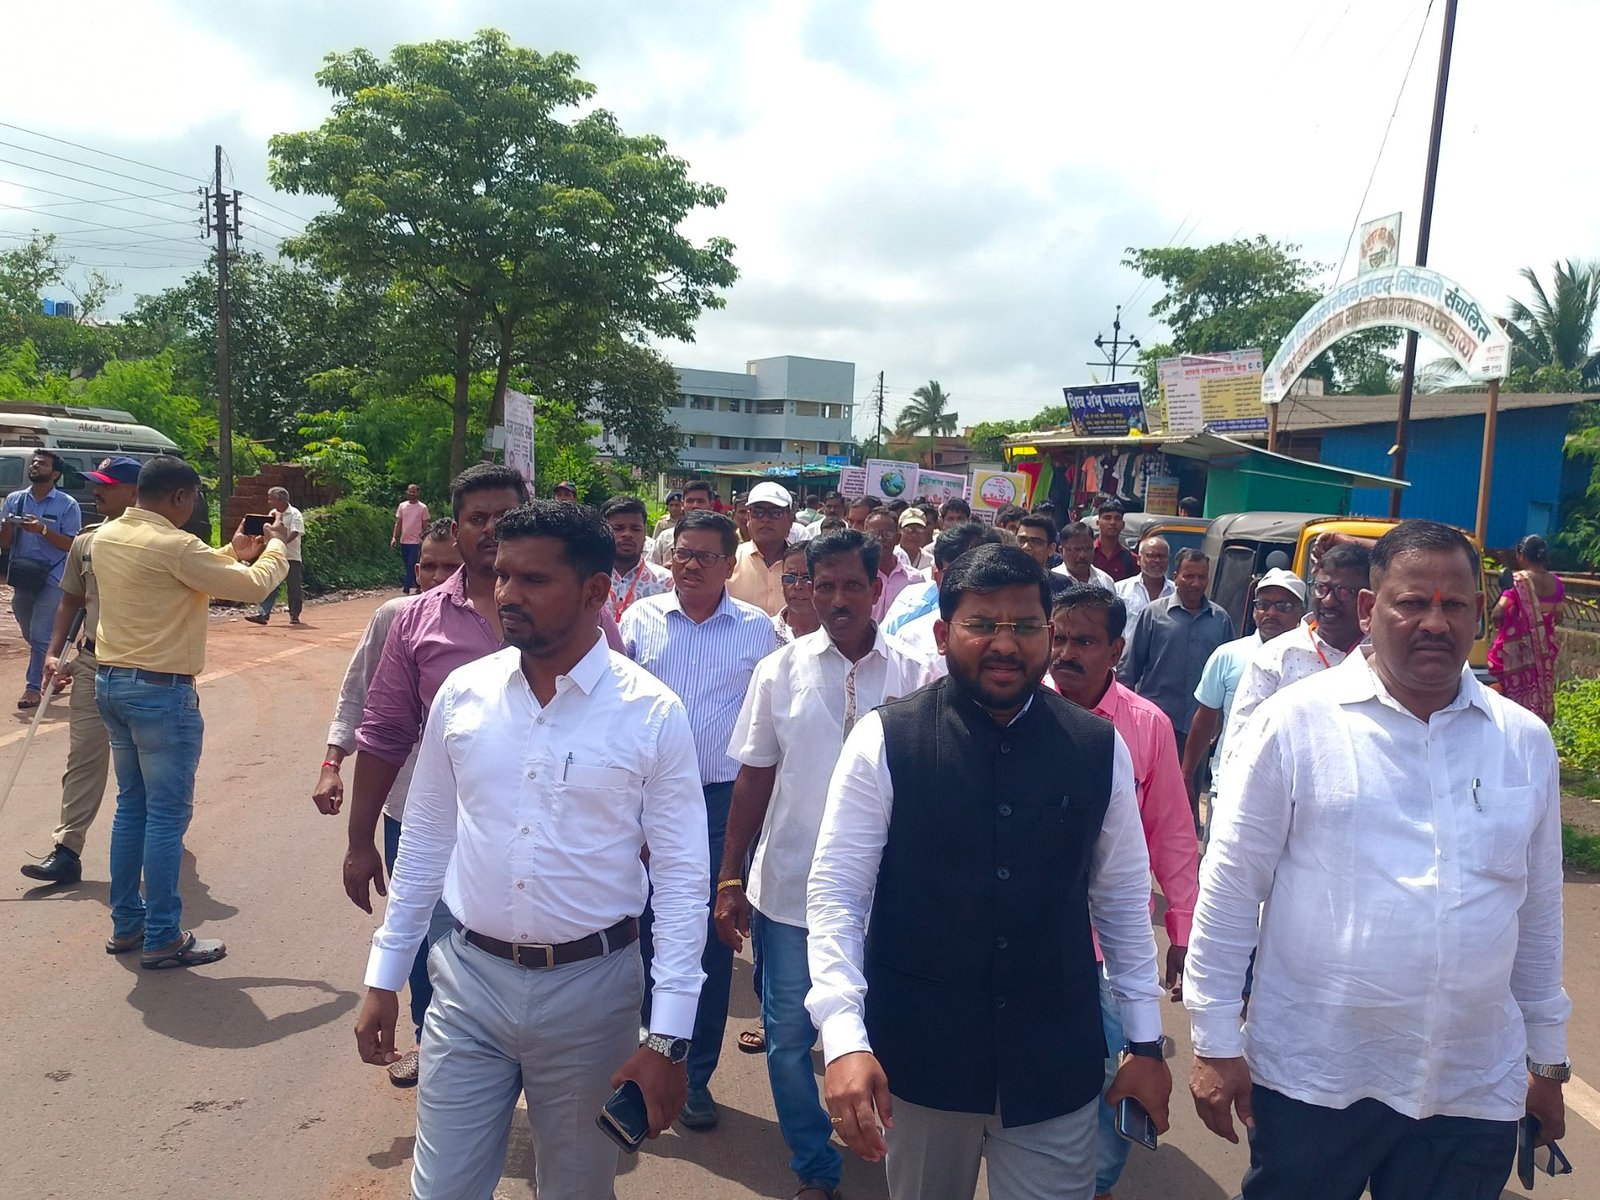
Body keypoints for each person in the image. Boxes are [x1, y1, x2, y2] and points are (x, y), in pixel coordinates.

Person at [1184, 520, 1571, 1200]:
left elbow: (1537, 912)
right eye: (1412, 602)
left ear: (1478, 615)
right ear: (1369, 609)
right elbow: (1232, 885)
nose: (1435, 622)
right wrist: (1215, 1040)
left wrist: (1547, 1060)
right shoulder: (1295, 722)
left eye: (1454, 605)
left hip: (1471, 1084)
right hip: (1316, 1078)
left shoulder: (1523, 741)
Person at [354, 501, 710, 1200]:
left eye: (534, 580)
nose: (507, 595)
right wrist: (384, 975)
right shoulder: (464, 694)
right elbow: (427, 835)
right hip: (467, 982)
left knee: (575, 1189)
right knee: (442, 1189)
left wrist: (668, 1039)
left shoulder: (651, 713)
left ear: (595, 590)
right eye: (502, 575)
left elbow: (679, 881)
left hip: (593, 995)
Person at [807, 544, 1171, 1200]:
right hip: (920, 1055)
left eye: (1025, 625)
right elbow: (838, 894)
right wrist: (842, 1036)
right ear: (943, 633)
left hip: (1054, 1058)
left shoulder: (1096, 748)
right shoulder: (887, 740)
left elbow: (1120, 900)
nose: (1006, 643)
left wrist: (1145, 1044)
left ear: (1048, 634)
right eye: (982, 624)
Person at [717, 528, 935, 1200]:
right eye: (825, 585)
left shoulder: (917, 676)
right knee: (787, 1038)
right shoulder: (778, 671)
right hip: (789, 891)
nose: (838, 599)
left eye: (852, 586)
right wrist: (730, 877)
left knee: (888, 1033)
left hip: (889, 898)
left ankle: (888, 1144)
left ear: (877, 589)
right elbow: (754, 777)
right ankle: (814, 1164)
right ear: (807, 588)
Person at [93, 456, 288, 967]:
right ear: (180, 497)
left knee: (131, 807)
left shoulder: (107, 536)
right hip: (160, 692)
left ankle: (128, 923)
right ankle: (163, 935)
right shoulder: (176, 545)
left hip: (112, 683)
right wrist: (275, 547)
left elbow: (180, 571)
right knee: (165, 817)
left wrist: (230, 552)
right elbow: (253, 586)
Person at [620, 508, 777, 1129]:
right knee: (639, 927)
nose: (689, 564)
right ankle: (641, 1055)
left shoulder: (758, 631)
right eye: (682, 553)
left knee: (707, 937)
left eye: (705, 556)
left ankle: (693, 1074)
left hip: (719, 802)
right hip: (641, 797)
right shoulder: (640, 620)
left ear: (728, 564)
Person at [1048, 584, 1199, 1200]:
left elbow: (1173, 834)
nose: (1066, 653)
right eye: (1058, 638)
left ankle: (1098, 1183)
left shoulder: (1146, 726)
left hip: (1114, 941)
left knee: (1121, 1066)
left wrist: (1183, 930)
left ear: (1116, 649)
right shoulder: (1019, 708)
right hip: (1036, 934)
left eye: (1084, 641)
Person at [346, 465, 532, 931]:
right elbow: (385, 732)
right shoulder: (416, 620)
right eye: (477, 519)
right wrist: (360, 840)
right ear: (456, 529)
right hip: (441, 834)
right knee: (432, 958)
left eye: (505, 517)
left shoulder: (578, 613)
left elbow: (620, 717)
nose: (491, 529)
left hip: (548, 835)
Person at [312, 519, 462, 1085]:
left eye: (450, 567)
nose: (438, 576)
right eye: (429, 565)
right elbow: (359, 697)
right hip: (408, 808)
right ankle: (430, 1039)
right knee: (418, 926)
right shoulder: (398, 617)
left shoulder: (507, 614)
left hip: (488, 815)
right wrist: (333, 764)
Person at [20, 457, 141, 885]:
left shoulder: (165, 544)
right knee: (84, 758)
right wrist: (54, 654)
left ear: (135, 492)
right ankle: (67, 850)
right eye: (95, 483)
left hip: (147, 671)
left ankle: (160, 835)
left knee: (143, 766)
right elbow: (71, 600)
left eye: (106, 484)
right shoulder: (86, 542)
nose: (96, 491)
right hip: (92, 663)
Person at [1178, 567, 1305, 814]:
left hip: (1293, 797)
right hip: (1230, 787)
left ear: (1301, 611)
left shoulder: (1314, 662)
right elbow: (1204, 721)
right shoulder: (1228, 656)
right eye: (1263, 604)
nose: (1271, 613)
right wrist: (1186, 774)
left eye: (1283, 606)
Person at [1228, 543, 1370, 737]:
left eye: (1343, 591)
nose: (1328, 600)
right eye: (1321, 588)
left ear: (1367, 599)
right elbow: (1241, 736)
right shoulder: (1275, 656)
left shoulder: (1384, 656)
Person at [1118, 548, 1234, 784]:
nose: (1195, 583)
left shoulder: (1220, 620)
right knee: (1149, 789)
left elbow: (1228, 677)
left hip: (1198, 730)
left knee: (1188, 791)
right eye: (1189, 576)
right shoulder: (1153, 614)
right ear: (1176, 577)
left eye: (1201, 577)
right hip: (1156, 723)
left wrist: (1221, 722)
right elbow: (1129, 669)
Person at [1, 448, 83, 708]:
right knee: (31, 632)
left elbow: (71, 545)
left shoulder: (67, 504)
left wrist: (42, 529)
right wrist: (7, 525)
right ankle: (56, 667)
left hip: (53, 577)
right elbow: (5, 544)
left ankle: (33, 688)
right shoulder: (15, 500)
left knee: (39, 634)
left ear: (55, 474)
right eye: (34, 462)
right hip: (24, 577)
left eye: (42, 464)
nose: (35, 466)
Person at [888, 522, 1001, 664]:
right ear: (938, 578)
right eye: (958, 575)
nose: (969, 584)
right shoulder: (912, 638)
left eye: (981, 574)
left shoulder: (1017, 635)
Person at [1489, 533, 1564, 724]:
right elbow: (1559, 616)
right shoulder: (1557, 584)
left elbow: (1498, 612)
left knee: (1505, 691)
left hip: (1518, 652)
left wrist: (1510, 622)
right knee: (1540, 688)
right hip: (1544, 652)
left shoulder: (1518, 582)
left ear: (1522, 555)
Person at [599, 495, 671, 624]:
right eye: (618, 528)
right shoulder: (586, 579)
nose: (627, 534)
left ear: (645, 534)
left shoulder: (666, 583)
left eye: (635, 529)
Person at [728, 481, 794, 615]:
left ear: (790, 519)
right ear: (748, 517)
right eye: (758, 512)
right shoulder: (729, 560)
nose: (766, 519)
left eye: (775, 513)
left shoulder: (806, 565)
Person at [245, 487, 304, 626]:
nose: (269, 501)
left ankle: (294, 615)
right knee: (270, 584)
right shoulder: (272, 514)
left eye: (272, 498)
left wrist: (282, 543)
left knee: (294, 587)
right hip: (275, 556)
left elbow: (296, 532)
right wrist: (261, 538)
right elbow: (269, 531)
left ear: (281, 500)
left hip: (291, 556)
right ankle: (263, 613)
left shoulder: (295, 514)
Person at [864, 508, 926, 622]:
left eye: (887, 534)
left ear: (897, 539)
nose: (880, 539)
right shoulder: (859, 577)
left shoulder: (915, 579)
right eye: (874, 534)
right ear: (865, 538)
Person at [1113, 536, 1173, 630]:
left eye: (1162, 556)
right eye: (1151, 556)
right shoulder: (1119, 590)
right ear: (1139, 559)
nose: (1157, 560)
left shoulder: (1176, 592)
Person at [651, 479, 714, 565]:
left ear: (711, 505)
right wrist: (664, 570)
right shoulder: (665, 538)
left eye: (700, 501)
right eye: (690, 501)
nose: (695, 506)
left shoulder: (720, 539)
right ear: (683, 505)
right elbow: (649, 568)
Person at [773, 543, 821, 645]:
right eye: (790, 578)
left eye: (807, 578)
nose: (798, 585)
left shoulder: (837, 634)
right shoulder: (765, 631)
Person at [1052, 521, 1116, 591]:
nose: (1083, 555)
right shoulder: (1051, 581)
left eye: (1088, 549)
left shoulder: (1105, 581)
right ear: (1061, 551)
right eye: (1077, 549)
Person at [391, 483, 430, 594]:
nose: (412, 494)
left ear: (418, 493)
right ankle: (418, 585)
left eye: (414, 492)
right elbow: (398, 523)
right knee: (408, 565)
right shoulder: (402, 506)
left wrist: (426, 540)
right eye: (410, 492)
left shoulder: (423, 508)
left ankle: (406, 588)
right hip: (404, 541)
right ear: (407, 492)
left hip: (416, 542)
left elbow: (425, 526)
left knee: (411, 565)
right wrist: (394, 537)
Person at [1093, 500, 1137, 582]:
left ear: (1123, 525)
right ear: (1098, 523)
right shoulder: (1087, 554)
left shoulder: (1131, 559)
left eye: (1117, 518)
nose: (1112, 522)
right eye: (1107, 518)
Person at [896, 507, 934, 572]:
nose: (914, 535)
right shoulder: (890, 556)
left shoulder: (931, 561)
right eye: (908, 529)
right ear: (899, 530)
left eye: (919, 530)